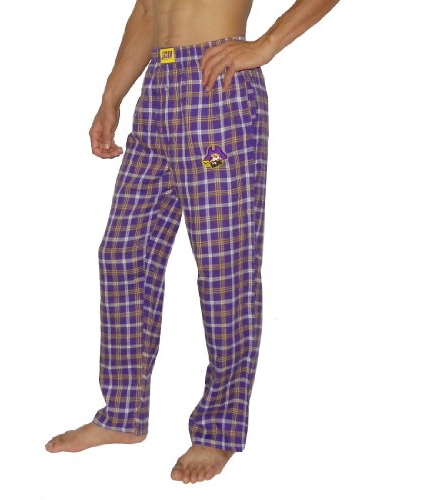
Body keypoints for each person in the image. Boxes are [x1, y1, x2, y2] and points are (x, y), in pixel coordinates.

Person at [45, 0, 339, 484]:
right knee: (122, 253)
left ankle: (219, 429)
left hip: (216, 85)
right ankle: (123, 413)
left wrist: (266, 45)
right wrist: (112, 96)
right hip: (157, 88)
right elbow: (148, 11)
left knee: (224, 266)